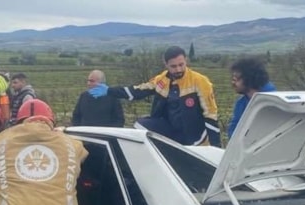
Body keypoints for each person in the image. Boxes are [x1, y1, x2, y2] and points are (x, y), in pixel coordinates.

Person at [91, 46, 220, 146]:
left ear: (186, 61)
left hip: (195, 136)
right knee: (140, 125)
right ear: (166, 65)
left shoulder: (200, 81)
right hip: (170, 130)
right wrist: (110, 91)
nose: (178, 69)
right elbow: (138, 91)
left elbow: (211, 116)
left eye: (181, 65)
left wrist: (215, 147)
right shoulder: (161, 80)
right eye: (173, 66)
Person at [227, 57, 276, 139]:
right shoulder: (241, 103)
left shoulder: (274, 102)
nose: (233, 83)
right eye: (233, 79)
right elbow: (234, 130)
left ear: (249, 78)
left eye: (236, 79)